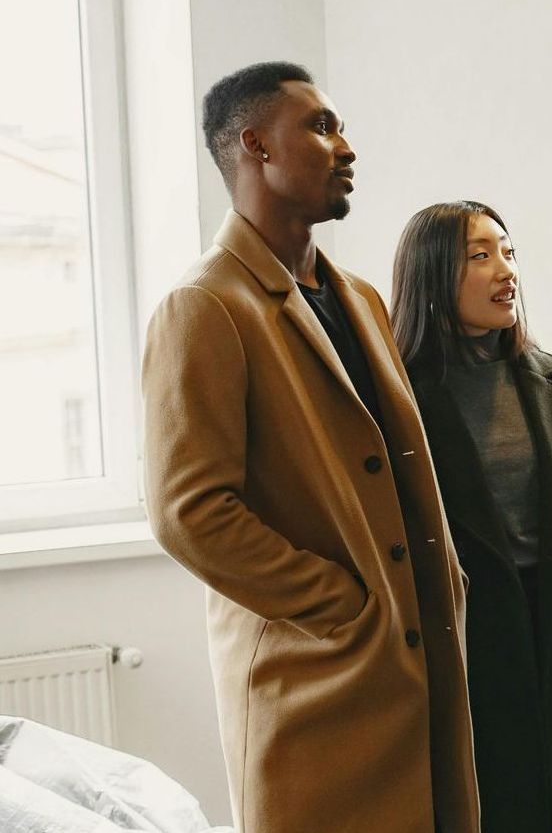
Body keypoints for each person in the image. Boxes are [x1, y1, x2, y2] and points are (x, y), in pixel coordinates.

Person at [142, 62, 479, 833]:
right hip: (316, 685)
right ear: (255, 145)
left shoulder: (358, 296)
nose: (347, 146)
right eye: (322, 128)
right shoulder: (204, 307)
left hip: (418, 671)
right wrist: (342, 605)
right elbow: (188, 511)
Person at [390, 201, 552, 833]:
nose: (505, 271)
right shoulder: (399, 403)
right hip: (475, 645)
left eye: (509, 253)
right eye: (479, 256)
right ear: (432, 276)